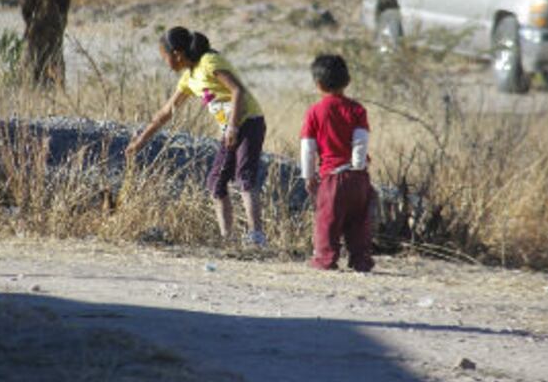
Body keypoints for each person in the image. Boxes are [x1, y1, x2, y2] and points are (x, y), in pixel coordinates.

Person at [126, 26, 267, 246]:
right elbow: (166, 112)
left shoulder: (209, 62)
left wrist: (232, 127)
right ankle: (227, 239)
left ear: (177, 54)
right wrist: (140, 141)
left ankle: (256, 237)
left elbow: (237, 90)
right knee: (216, 182)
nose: (165, 63)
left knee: (244, 177)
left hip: (248, 122)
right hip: (229, 129)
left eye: (165, 57)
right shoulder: (189, 78)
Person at [300, 54, 374, 272]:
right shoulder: (357, 109)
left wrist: (308, 175)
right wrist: (358, 166)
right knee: (359, 221)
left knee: (327, 221)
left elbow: (308, 147)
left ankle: (325, 259)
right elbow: (361, 140)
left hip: (332, 177)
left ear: (318, 84)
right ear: (347, 81)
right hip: (358, 178)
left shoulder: (315, 111)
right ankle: (361, 260)